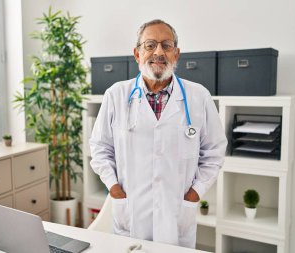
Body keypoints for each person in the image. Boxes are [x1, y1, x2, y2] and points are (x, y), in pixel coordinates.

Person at [89, 19, 227, 248]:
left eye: (166, 45)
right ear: (137, 53)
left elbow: (214, 152)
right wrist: (114, 188)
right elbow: (99, 148)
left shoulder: (199, 96)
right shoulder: (116, 95)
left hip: (177, 215)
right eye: (150, 45)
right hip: (130, 212)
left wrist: (194, 193)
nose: (159, 52)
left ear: (177, 54)